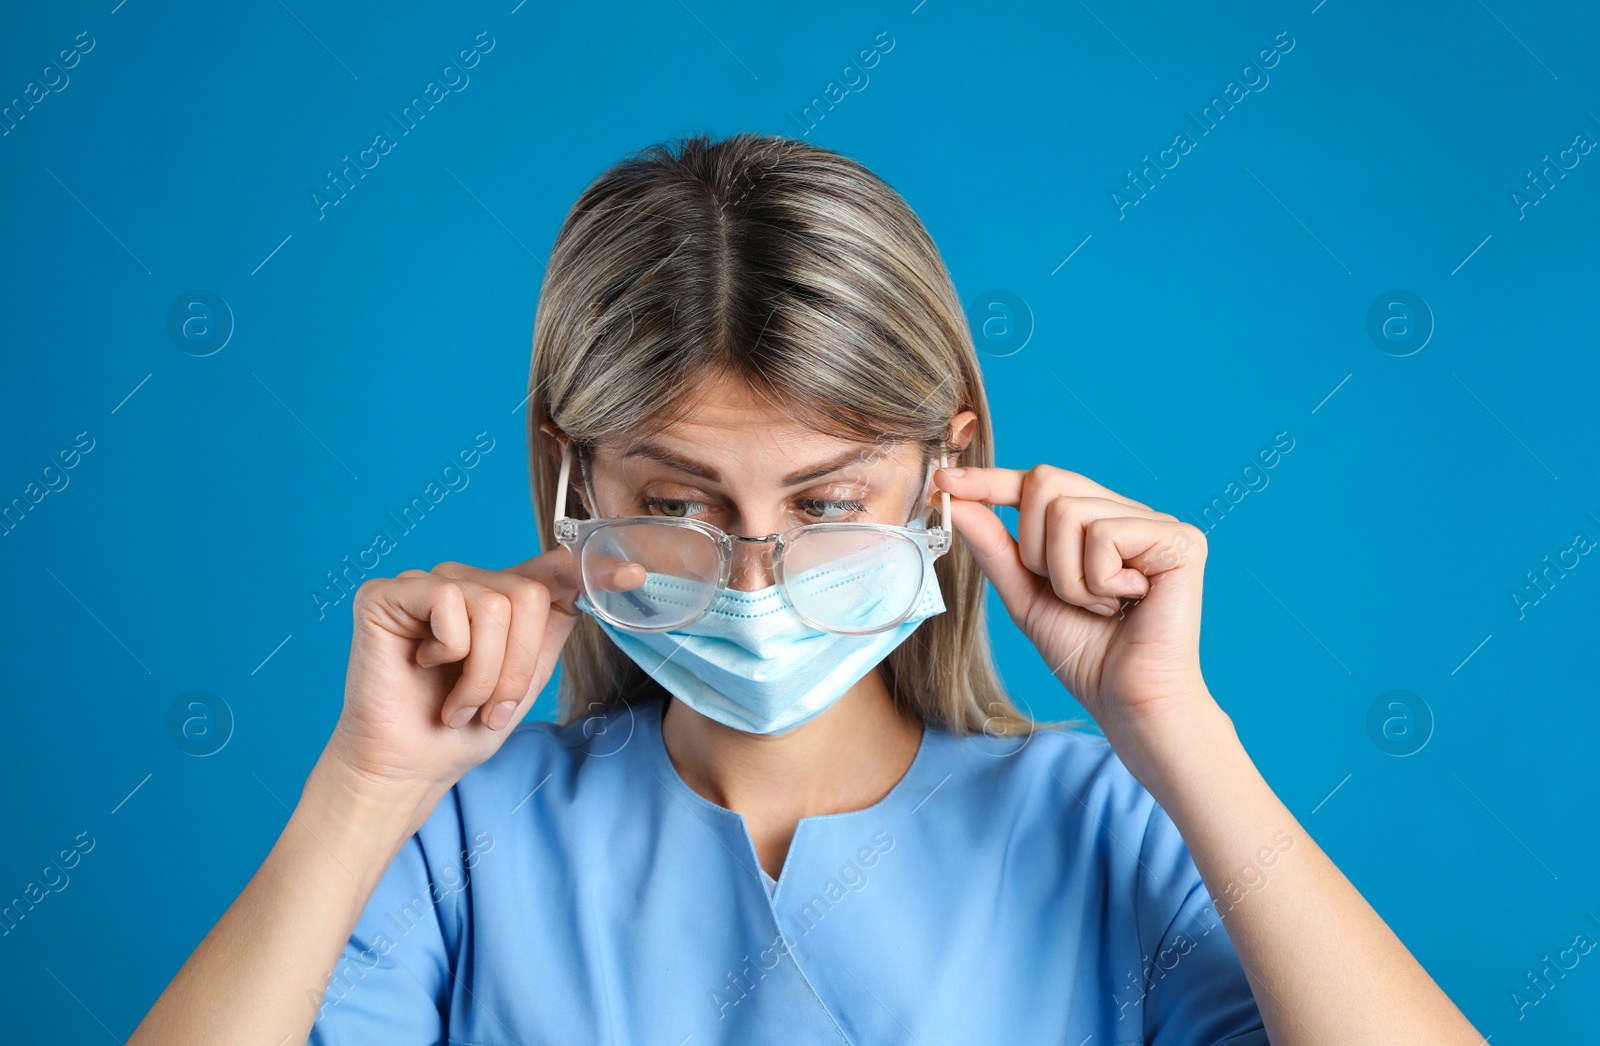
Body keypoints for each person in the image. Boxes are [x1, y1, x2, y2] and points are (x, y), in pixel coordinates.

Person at [129, 131, 1482, 1045]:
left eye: (828, 502)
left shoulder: (1105, 829)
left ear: (949, 467)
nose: (756, 576)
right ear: (570, 478)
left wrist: (1180, 731)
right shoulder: (457, 847)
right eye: (677, 503)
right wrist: (363, 789)